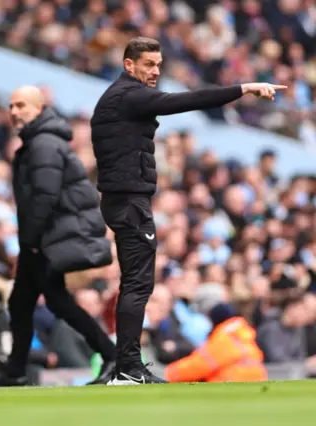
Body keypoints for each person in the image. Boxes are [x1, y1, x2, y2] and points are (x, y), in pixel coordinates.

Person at [90, 36, 285, 385]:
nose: (155, 72)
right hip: (129, 200)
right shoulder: (128, 95)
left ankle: (127, 367)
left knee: (135, 283)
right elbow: (185, 100)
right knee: (137, 284)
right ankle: (128, 369)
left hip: (124, 199)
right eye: (148, 65)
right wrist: (244, 88)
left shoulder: (121, 97)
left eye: (159, 65)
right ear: (128, 65)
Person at [0, 85, 115, 386]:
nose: (14, 112)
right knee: (25, 303)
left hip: (43, 240)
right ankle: (16, 371)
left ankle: (111, 355)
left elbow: (44, 196)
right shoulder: (40, 141)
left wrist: (31, 242)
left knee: (49, 302)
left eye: (21, 105)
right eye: (11, 106)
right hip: (43, 238)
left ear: (38, 109)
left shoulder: (44, 144)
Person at [164, 303, 268, 383]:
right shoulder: (242, 333)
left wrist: (170, 373)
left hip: (232, 385)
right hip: (256, 383)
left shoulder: (224, 338)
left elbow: (200, 364)